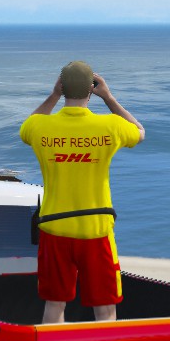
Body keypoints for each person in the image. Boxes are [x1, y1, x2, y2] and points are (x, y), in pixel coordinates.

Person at [20, 61, 145, 323]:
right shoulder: (110, 126)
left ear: (62, 87)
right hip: (95, 228)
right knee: (105, 308)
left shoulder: (40, 127)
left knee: (54, 304)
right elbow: (140, 132)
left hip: (54, 227)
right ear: (91, 89)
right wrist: (108, 98)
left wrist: (53, 96)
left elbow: (27, 126)